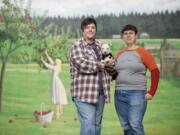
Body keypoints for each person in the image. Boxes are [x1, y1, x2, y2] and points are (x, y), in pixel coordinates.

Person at [69, 17, 113, 135]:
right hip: (84, 94)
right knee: (88, 125)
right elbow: (83, 65)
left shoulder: (100, 46)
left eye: (93, 27)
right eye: (87, 27)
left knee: (97, 125)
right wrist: (103, 64)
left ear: (96, 30)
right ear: (82, 30)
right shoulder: (77, 46)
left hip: (100, 94)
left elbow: (109, 67)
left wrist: (111, 65)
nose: (90, 30)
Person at [114, 24, 160, 135]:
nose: (128, 35)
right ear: (122, 37)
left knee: (135, 125)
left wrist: (151, 92)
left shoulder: (143, 52)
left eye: (131, 33)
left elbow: (155, 71)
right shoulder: (119, 53)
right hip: (119, 94)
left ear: (136, 36)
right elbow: (115, 74)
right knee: (125, 126)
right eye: (125, 33)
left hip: (137, 93)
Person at [41, 50, 67, 119]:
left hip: (56, 83)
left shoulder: (56, 67)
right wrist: (47, 54)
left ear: (57, 63)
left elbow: (49, 66)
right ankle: (60, 112)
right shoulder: (56, 66)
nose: (54, 61)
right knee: (59, 100)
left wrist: (43, 61)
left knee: (58, 100)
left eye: (55, 61)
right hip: (56, 82)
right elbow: (51, 61)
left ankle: (58, 114)